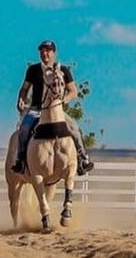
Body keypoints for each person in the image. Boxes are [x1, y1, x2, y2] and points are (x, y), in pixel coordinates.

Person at [11, 40, 94, 176]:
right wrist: (21, 98)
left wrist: (63, 100)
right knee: (24, 129)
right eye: (42, 51)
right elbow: (25, 88)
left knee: (74, 127)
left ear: (54, 53)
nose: (44, 54)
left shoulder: (63, 70)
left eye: (47, 51)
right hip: (36, 109)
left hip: (56, 112)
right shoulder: (33, 70)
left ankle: (83, 158)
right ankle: (20, 161)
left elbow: (73, 91)